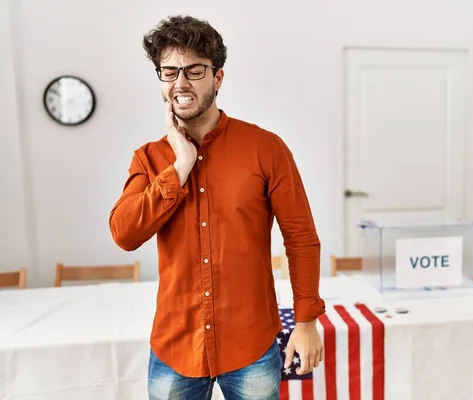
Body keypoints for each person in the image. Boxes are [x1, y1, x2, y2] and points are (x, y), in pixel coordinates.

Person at [108, 15, 325, 400]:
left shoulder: (266, 149)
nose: (180, 83)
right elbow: (124, 233)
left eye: (194, 70)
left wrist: (306, 321)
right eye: (170, 71)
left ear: (218, 78)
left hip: (251, 344)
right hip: (175, 347)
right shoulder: (149, 158)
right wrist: (179, 167)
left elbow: (301, 237)